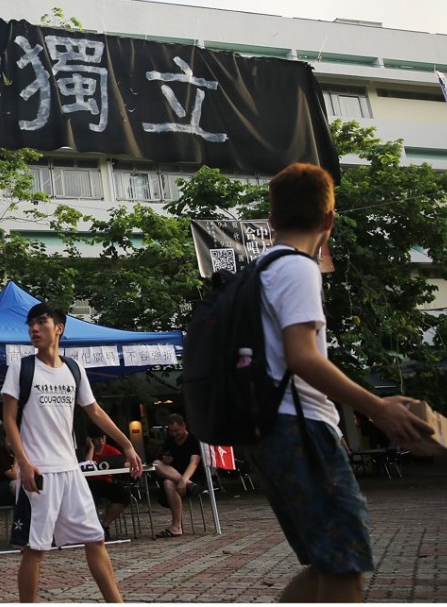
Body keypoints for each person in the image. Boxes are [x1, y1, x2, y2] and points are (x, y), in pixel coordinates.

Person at [247, 162, 432, 602]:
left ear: (271, 220)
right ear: (329, 219)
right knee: (345, 567)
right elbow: (302, 356)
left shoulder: (257, 270)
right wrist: (377, 407)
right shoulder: (297, 268)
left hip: (268, 429)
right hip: (301, 427)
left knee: (328, 566)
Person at [2, 301, 143, 603]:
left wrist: (127, 445)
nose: (34, 329)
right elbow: (9, 420)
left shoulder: (74, 369)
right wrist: (23, 463)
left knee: (96, 539)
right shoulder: (21, 367)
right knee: (34, 550)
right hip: (38, 473)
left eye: (41, 322)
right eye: (30, 324)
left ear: (59, 328)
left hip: (71, 471)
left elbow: (95, 411)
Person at [151, 413, 205, 538]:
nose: (174, 434)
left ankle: (176, 526)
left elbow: (194, 463)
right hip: (178, 478)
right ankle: (176, 527)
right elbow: (164, 459)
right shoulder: (169, 441)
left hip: (193, 478)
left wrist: (184, 480)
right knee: (157, 465)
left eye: (176, 430)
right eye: (171, 431)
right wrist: (165, 461)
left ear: (183, 426)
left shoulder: (193, 439)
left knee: (169, 483)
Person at [82, 430, 130, 532]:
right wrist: (91, 448)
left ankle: (104, 526)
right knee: (90, 500)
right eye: (97, 439)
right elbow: (86, 466)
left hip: (106, 482)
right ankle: (91, 528)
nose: (101, 442)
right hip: (89, 483)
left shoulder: (110, 450)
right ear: (91, 440)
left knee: (123, 496)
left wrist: (115, 464)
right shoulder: (84, 451)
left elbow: (126, 463)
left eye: (103, 438)